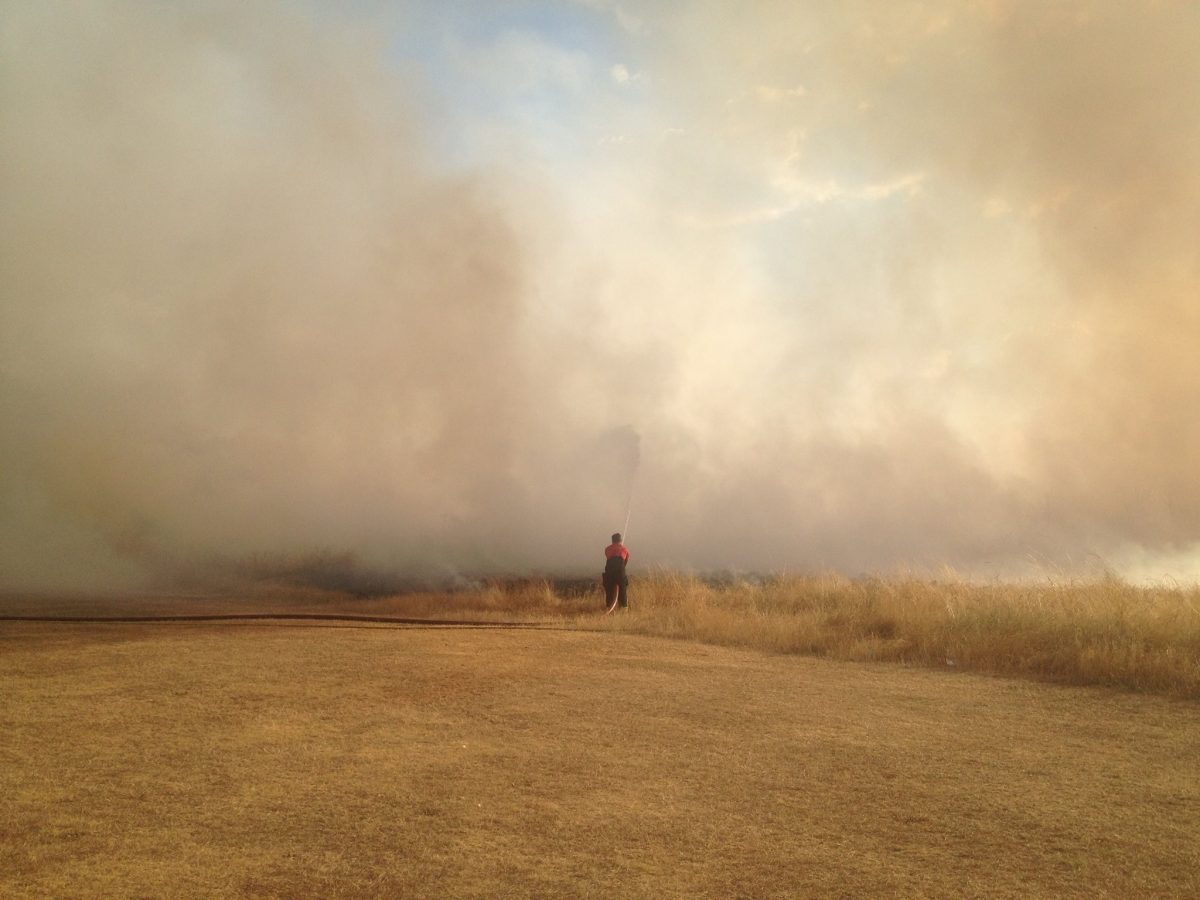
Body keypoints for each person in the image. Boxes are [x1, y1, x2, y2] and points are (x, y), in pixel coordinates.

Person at [603, 532, 630, 611]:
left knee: (609, 588)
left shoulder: (607, 549)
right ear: (620, 540)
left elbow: (608, 556)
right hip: (620, 570)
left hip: (609, 569)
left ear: (612, 541)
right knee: (622, 588)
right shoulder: (624, 549)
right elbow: (626, 560)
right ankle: (623, 608)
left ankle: (609, 607)